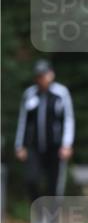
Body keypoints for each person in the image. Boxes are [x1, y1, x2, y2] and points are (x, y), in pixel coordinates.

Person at [15, 59, 75, 206]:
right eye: (39, 76)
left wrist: (67, 144)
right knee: (31, 179)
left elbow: (68, 119)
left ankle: (52, 216)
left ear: (51, 74)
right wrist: (19, 145)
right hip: (34, 146)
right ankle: (38, 211)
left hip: (55, 146)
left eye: (44, 75)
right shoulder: (29, 94)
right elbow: (23, 120)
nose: (41, 79)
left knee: (53, 183)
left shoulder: (61, 93)